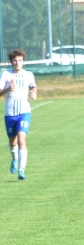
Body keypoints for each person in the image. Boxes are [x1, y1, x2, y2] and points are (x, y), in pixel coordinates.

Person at [1, 49, 38, 180]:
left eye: (20, 60)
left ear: (23, 61)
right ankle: (15, 159)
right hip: (10, 114)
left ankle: (21, 171)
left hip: (24, 112)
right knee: (12, 141)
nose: (17, 63)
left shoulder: (29, 75)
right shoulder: (6, 74)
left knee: (22, 139)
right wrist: (7, 89)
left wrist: (34, 93)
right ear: (11, 62)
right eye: (15, 61)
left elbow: (33, 87)